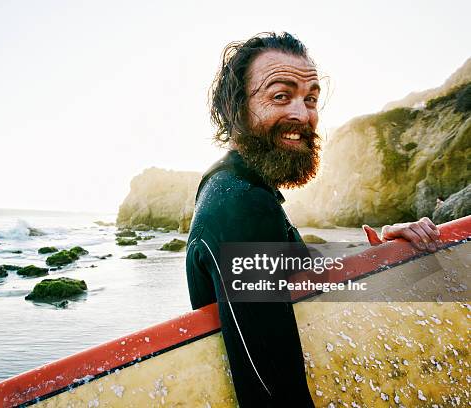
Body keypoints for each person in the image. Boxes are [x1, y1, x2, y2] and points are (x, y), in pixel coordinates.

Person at [185, 32, 441, 407]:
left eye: (310, 99)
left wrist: (380, 251)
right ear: (235, 108)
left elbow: (295, 271)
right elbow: (268, 385)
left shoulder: (237, 187)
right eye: (280, 96)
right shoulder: (241, 205)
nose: (303, 115)